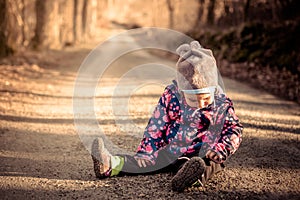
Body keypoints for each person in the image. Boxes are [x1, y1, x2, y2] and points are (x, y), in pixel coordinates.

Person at [91, 41, 243, 192]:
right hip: (172, 151)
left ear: (214, 89)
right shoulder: (171, 96)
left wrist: (222, 149)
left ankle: (190, 179)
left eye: (205, 98)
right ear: (181, 91)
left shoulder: (221, 104)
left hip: (205, 152)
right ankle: (110, 164)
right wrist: (146, 152)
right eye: (192, 99)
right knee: (144, 161)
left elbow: (233, 130)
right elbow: (156, 126)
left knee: (206, 164)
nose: (200, 104)